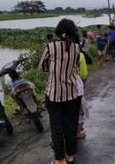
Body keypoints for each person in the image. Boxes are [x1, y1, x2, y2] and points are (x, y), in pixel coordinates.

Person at [38, 18, 81, 164]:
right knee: (70, 125)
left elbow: (42, 67)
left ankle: (60, 159)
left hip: (54, 94)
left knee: (56, 127)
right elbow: (76, 67)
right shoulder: (76, 47)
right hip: (72, 93)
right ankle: (70, 155)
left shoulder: (50, 47)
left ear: (58, 31)